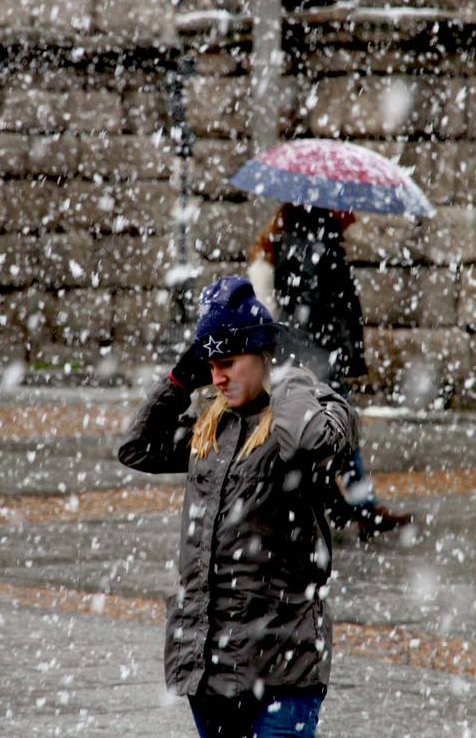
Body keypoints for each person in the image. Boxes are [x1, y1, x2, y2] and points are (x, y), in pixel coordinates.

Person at [119, 276, 356, 737]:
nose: (217, 376)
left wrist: (287, 380)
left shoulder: (314, 404)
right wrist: (179, 377)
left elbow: (309, 440)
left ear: (261, 353)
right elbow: (137, 448)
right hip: (210, 667)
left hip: (283, 664)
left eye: (227, 362)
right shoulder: (213, 424)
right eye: (209, 364)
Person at [248, 202, 411, 541]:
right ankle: (353, 509)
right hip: (317, 358)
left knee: (331, 437)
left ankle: (350, 508)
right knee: (335, 436)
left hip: (316, 356)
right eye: (344, 208)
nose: (351, 214)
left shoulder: (309, 244)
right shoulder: (311, 247)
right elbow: (314, 309)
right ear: (325, 210)